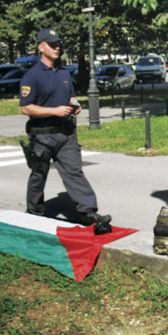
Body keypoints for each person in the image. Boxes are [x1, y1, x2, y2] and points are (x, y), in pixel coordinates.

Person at [20, 28, 111, 226]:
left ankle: (88, 213)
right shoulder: (32, 76)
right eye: (52, 45)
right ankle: (34, 214)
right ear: (41, 47)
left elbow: (70, 96)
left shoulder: (63, 72)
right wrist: (54, 111)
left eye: (58, 44)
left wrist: (73, 105)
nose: (57, 48)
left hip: (66, 134)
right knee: (38, 176)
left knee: (74, 172)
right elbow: (26, 108)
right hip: (42, 136)